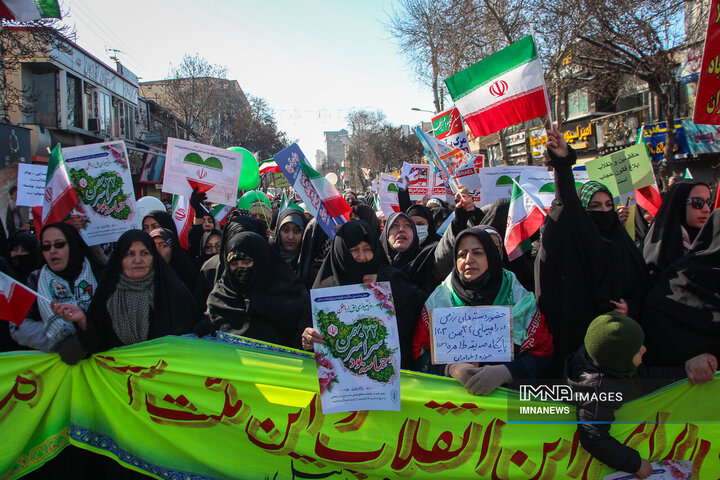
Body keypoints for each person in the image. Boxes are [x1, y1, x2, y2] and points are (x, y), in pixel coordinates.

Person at [535, 126, 650, 377]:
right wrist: (562, 163)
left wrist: (629, 307)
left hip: (624, 351)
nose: (604, 210)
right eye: (595, 206)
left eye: (608, 204)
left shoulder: (625, 246)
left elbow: (645, 289)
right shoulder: (580, 243)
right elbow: (567, 201)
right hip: (580, 346)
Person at [567, 313, 716, 478]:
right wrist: (634, 463)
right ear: (621, 361)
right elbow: (593, 438)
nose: (644, 349)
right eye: (638, 351)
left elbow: (644, 380)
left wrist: (685, 373)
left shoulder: (607, 360)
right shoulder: (598, 392)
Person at [413, 227, 554, 390]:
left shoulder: (517, 297)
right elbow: (419, 353)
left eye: (477, 253)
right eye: (461, 254)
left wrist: (506, 372)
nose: (468, 259)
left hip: (504, 403)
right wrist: (449, 368)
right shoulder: (440, 299)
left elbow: (543, 351)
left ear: (492, 256)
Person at [52, 230, 199, 364]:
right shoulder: (107, 295)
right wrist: (84, 321)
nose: (137, 260)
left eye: (144, 253)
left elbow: (188, 346)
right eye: (130, 254)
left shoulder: (172, 292)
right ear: (120, 258)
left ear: (153, 257)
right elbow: (96, 345)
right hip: (120, 386)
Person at [302, 220, 425, 368]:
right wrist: (308, 339)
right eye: (354, 250)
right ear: (342, 252)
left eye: (367, 249)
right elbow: (307, 334)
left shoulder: (391, 279)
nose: (362, 256)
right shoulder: (324, 291)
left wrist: (383, 286)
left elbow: (419, 309)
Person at [195, 230, 310, 348]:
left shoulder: (289, 294)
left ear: (262, 261)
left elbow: (303, 335)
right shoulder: (220, 297)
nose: (241, 268)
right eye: (234, 264)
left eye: (247, 262)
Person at [641, 208, 720, 366]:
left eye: (707, 203)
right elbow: (657, 320)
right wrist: (692, 355)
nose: (704, 208)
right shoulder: (684, 277)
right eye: (697, 203)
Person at [9, 223, 104, 352]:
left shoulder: (99, 274)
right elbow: (18, 324)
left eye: (59, 244)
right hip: (59, 361)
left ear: (73, 244)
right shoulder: (35, 279)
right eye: (46, 246)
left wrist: (90, 334)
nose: (52, 251)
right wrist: (62, 342)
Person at [642, 180, 712, 282]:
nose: (706, 209)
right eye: (697, 203)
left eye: (709, 203)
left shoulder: (712, 242)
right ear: (680, 203)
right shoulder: (661, 249)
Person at [149, 228, 199, 292]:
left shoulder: (187, 277)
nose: (157, 251)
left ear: (172, 248)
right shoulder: (143, 279)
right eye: (153, 246)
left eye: (163, 245)